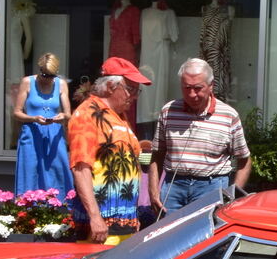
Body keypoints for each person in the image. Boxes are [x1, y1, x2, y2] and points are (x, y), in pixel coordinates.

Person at [148, 57, 251, 216]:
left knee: (206, 237)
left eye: (198, 88)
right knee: (169, 236)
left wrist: (234, 195)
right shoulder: (169, 111)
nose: (192, 94)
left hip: (211, 186)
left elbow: (244, 159)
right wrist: (153, 191)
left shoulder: (228, 115)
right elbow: (157, 154)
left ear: (211, 86)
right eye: (186, 88)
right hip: (174, 186)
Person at [66, 62, 148, 243]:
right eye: (131, 89)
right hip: (101, 226)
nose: (133, 96)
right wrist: (95, 217)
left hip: (124, 224)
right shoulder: (87, 115)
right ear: (111, 86)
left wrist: (133, 217)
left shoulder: (119, 116)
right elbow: (80, 168)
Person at [13, 53, 74, 196]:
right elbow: (17, 113)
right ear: (39, 70)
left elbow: (68, 114)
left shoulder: (61, 84)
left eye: (51, 76)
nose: (47, 79)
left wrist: (62, 117)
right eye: (45, 75)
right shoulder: (27, 82)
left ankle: (60, 207)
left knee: (58, 170)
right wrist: (33, 118)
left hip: (54, 133)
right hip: (32, 131)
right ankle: (27, 208)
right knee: (30, 171)